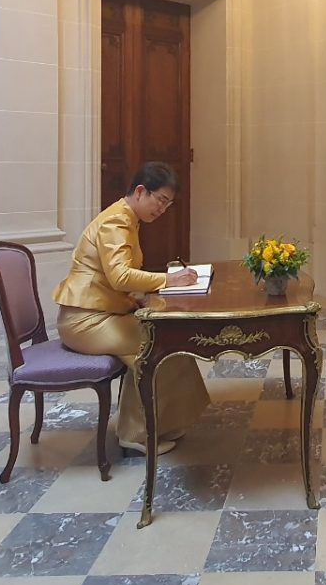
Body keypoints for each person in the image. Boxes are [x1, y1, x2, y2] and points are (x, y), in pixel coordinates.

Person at [53, 162, 209, 455]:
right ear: (140, 191)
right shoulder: (117, 221)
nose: (162, 209)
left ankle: (159, 425)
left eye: (168, 204)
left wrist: (137, 299)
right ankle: (136, 434)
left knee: (170, 342)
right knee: (162, 347)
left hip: (99, 314)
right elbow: (120, 277)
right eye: (160, 200)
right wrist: (169, 280)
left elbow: (112, 280)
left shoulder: (126, 218)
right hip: (85, 321)